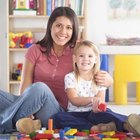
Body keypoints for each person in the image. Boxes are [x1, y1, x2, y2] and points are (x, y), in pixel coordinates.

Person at [0, 7, 113, 134]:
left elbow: (94, 69)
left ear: (74, 30)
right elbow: (25, 87)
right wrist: (28, 109)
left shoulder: (78, 52)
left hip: (57, 113)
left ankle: (4, 123)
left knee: (40, 88)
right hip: (31, 104)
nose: (63, 31)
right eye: (58, 25)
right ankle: (25, 121)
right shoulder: (35, 50)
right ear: (50, 26)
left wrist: (109, 81)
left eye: (69, 27)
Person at [51, 40, 140, 137]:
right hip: (75, 114)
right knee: (57, 117)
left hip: (95, 113)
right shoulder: (70, 77)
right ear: (75, 58)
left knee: (108, 114)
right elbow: (74, 100)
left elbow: (101, 101)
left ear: (96, 59)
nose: (85, 59)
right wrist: (92, 99)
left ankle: (128, 124)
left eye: (90, 56)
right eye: (81, 56)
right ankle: (95, 128)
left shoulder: (100, 77)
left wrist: (98, 106)